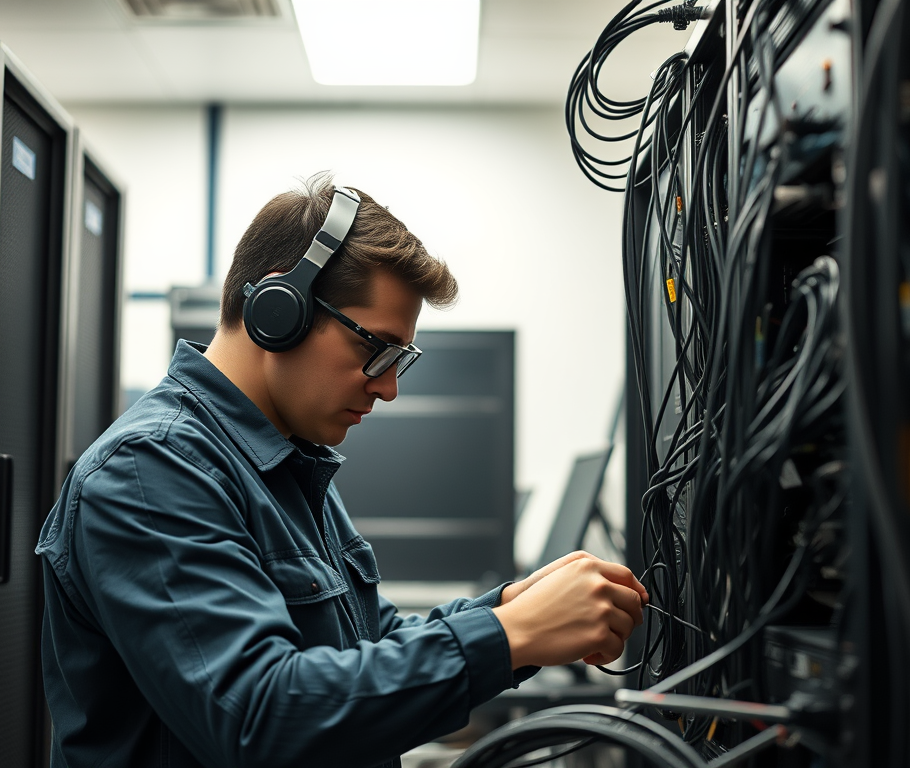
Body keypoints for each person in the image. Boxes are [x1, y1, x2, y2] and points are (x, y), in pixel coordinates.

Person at [36, 173, 648, 768]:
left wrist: (508, 609)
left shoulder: (286, 462)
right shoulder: (150, 471)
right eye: (373, 348)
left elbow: (366, 646)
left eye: (399, 359)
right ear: (279, 310)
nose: (388, 389)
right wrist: (509, 634)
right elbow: (258, 718)